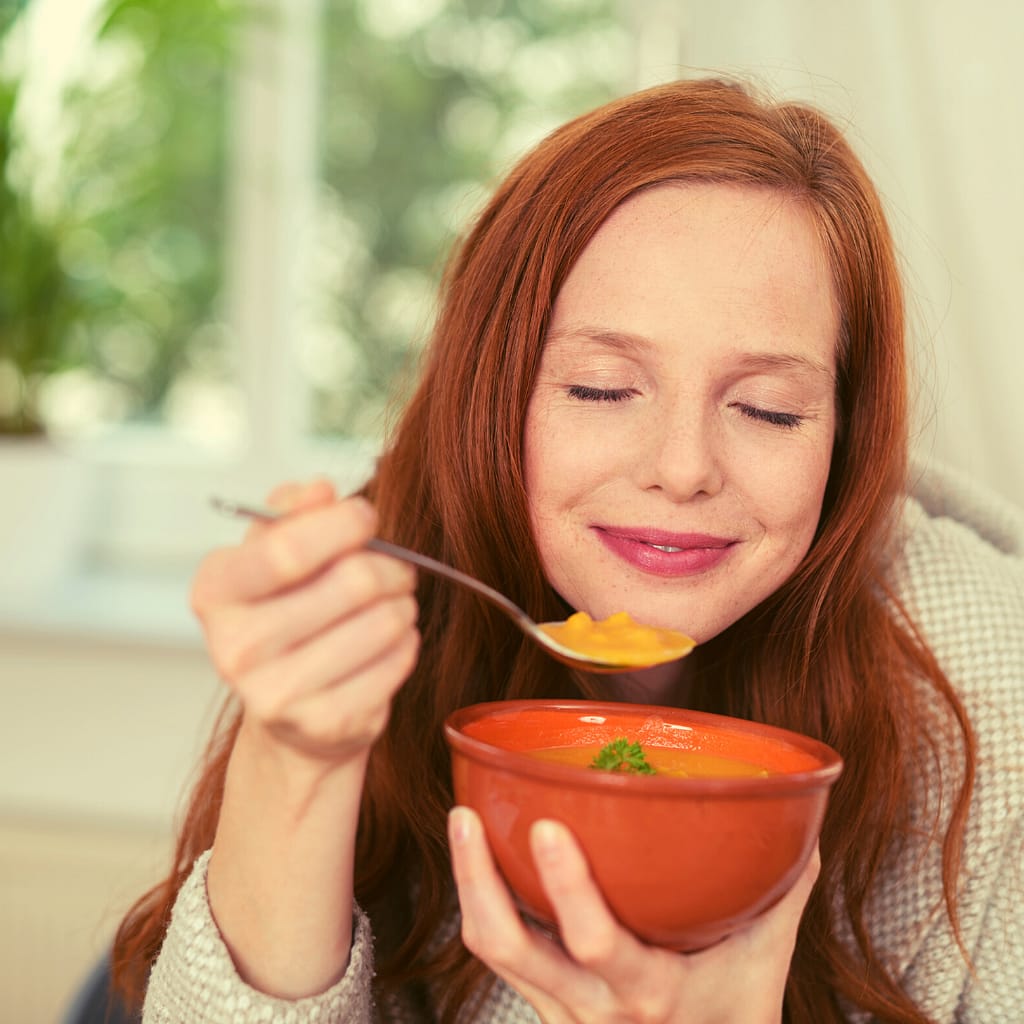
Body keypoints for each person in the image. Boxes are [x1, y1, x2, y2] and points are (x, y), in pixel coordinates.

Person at [111, 77, 1023, 1023]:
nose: (682, 470)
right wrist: (296, 756)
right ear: (491, 396)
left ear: (845, 431)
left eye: (767, 409)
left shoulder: (996, 704)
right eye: (598, 388)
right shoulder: (374, 615)